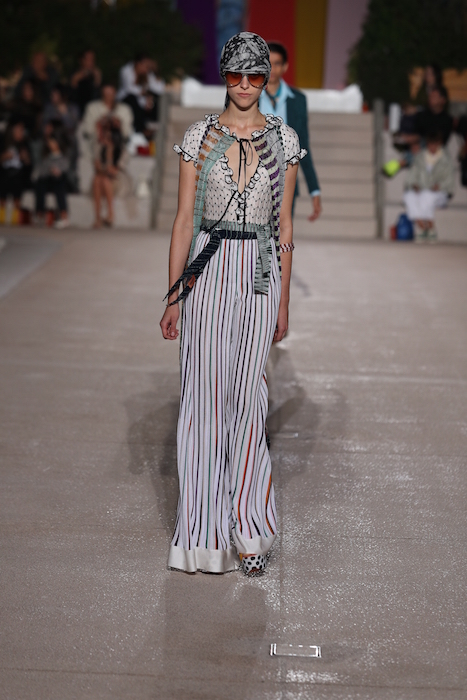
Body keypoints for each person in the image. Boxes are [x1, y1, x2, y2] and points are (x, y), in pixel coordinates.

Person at [160, 32, 304, 576]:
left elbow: (284, 227)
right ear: (224, 76)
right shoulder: (200, 136)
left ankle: (249, 528)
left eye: (254, 75)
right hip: (207, 269)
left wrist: (284, 301)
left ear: (267, 78)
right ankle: (202, 534)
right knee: (202, 401)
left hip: (260, 275)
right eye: (236, 74)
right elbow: (183, 220)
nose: (244, 84)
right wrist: (174, 295)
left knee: (249, 400)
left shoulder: (283, 140)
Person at [259, 42, 321, 221]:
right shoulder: (247, 96)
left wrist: (314, 189)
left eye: (276, 63)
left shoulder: (298, 100)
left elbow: (302, 145)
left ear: (285, 67)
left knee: (282, 233)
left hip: (285, 181)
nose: (271, 69)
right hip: (252, 179)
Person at [403, 130, 455, 242]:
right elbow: (412, 175)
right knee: (409, 196)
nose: (432, 147)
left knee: (427, 196)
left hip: (441, 193)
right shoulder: (420, 157)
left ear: (439, 144)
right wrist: (414, 185)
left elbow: (450, 180)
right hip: (423, 191)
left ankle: (430, 227)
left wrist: (439, 186)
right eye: (430, 144)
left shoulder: (446, 159)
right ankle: (422, 227)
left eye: (434, 144)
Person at [91, 116, 128, 228]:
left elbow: (114, 172)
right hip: (102, 179)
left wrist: (109, 154)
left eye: (108, 138)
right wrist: (106, 153)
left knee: (105, 180)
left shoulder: (122, 151)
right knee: (98, 179)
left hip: (118, 182)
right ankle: (98, 218)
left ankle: (110, 214)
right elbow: (98, 167)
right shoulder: (100, 148)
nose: (105, 140)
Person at [82, 84, 133, 156]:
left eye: (111, 94)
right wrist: (101, 123)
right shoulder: (92, 107)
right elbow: (88, 130)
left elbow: (127, 132)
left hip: (117, 144)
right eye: (106, 94)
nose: (108, 96)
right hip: (97, 143)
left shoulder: (124, 109)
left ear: (115, 94)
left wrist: (117, 123)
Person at [33, 130, 70, 229]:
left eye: (53, 142)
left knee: (59, 185)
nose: (50, 144)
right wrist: (50, 170)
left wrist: (57, 171)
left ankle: (64, 217)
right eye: (49, 142)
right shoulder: (46, 157)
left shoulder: (64, 156)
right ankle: (39, 215)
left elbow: (66, 169)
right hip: (47, 180)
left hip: (59, 181)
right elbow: (41, 171)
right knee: (40, 184)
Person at [0, 119, 32, 225]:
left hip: (18, 174)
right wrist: (4, 156)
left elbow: (29, 164)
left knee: (17, 198)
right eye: (19, 130)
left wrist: (25, 157)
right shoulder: (4, 142)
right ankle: (1, 220)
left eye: (22, 130)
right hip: (5, 173)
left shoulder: (24, 144)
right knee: (2, 197)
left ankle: (15, 221)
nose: (21, 132)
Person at [70, 50, 102, 118]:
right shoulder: (74, 72)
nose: (91, 61)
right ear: (82, 60)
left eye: (92, 59)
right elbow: (71, 92)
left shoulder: (96, 73)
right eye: (88, 59)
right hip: (78, 108)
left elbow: (98, 93)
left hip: (93, 108)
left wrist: (97, 79)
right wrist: (79, 77)